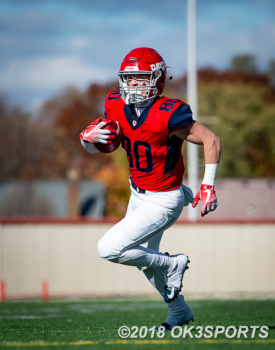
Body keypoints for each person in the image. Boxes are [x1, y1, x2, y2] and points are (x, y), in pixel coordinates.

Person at [80, 47, 221, 330]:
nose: (133, 84)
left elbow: (212, 140)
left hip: (163, 200)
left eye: (141, 78)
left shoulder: (169, 113)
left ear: (157, 80)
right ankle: (179, 312)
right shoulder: (115, 104)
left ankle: (173, 264)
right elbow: (109, 145)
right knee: (145, 261)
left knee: (109, 248)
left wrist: (208, 186)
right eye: (129, 78)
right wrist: (86, 140)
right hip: (138, 192)